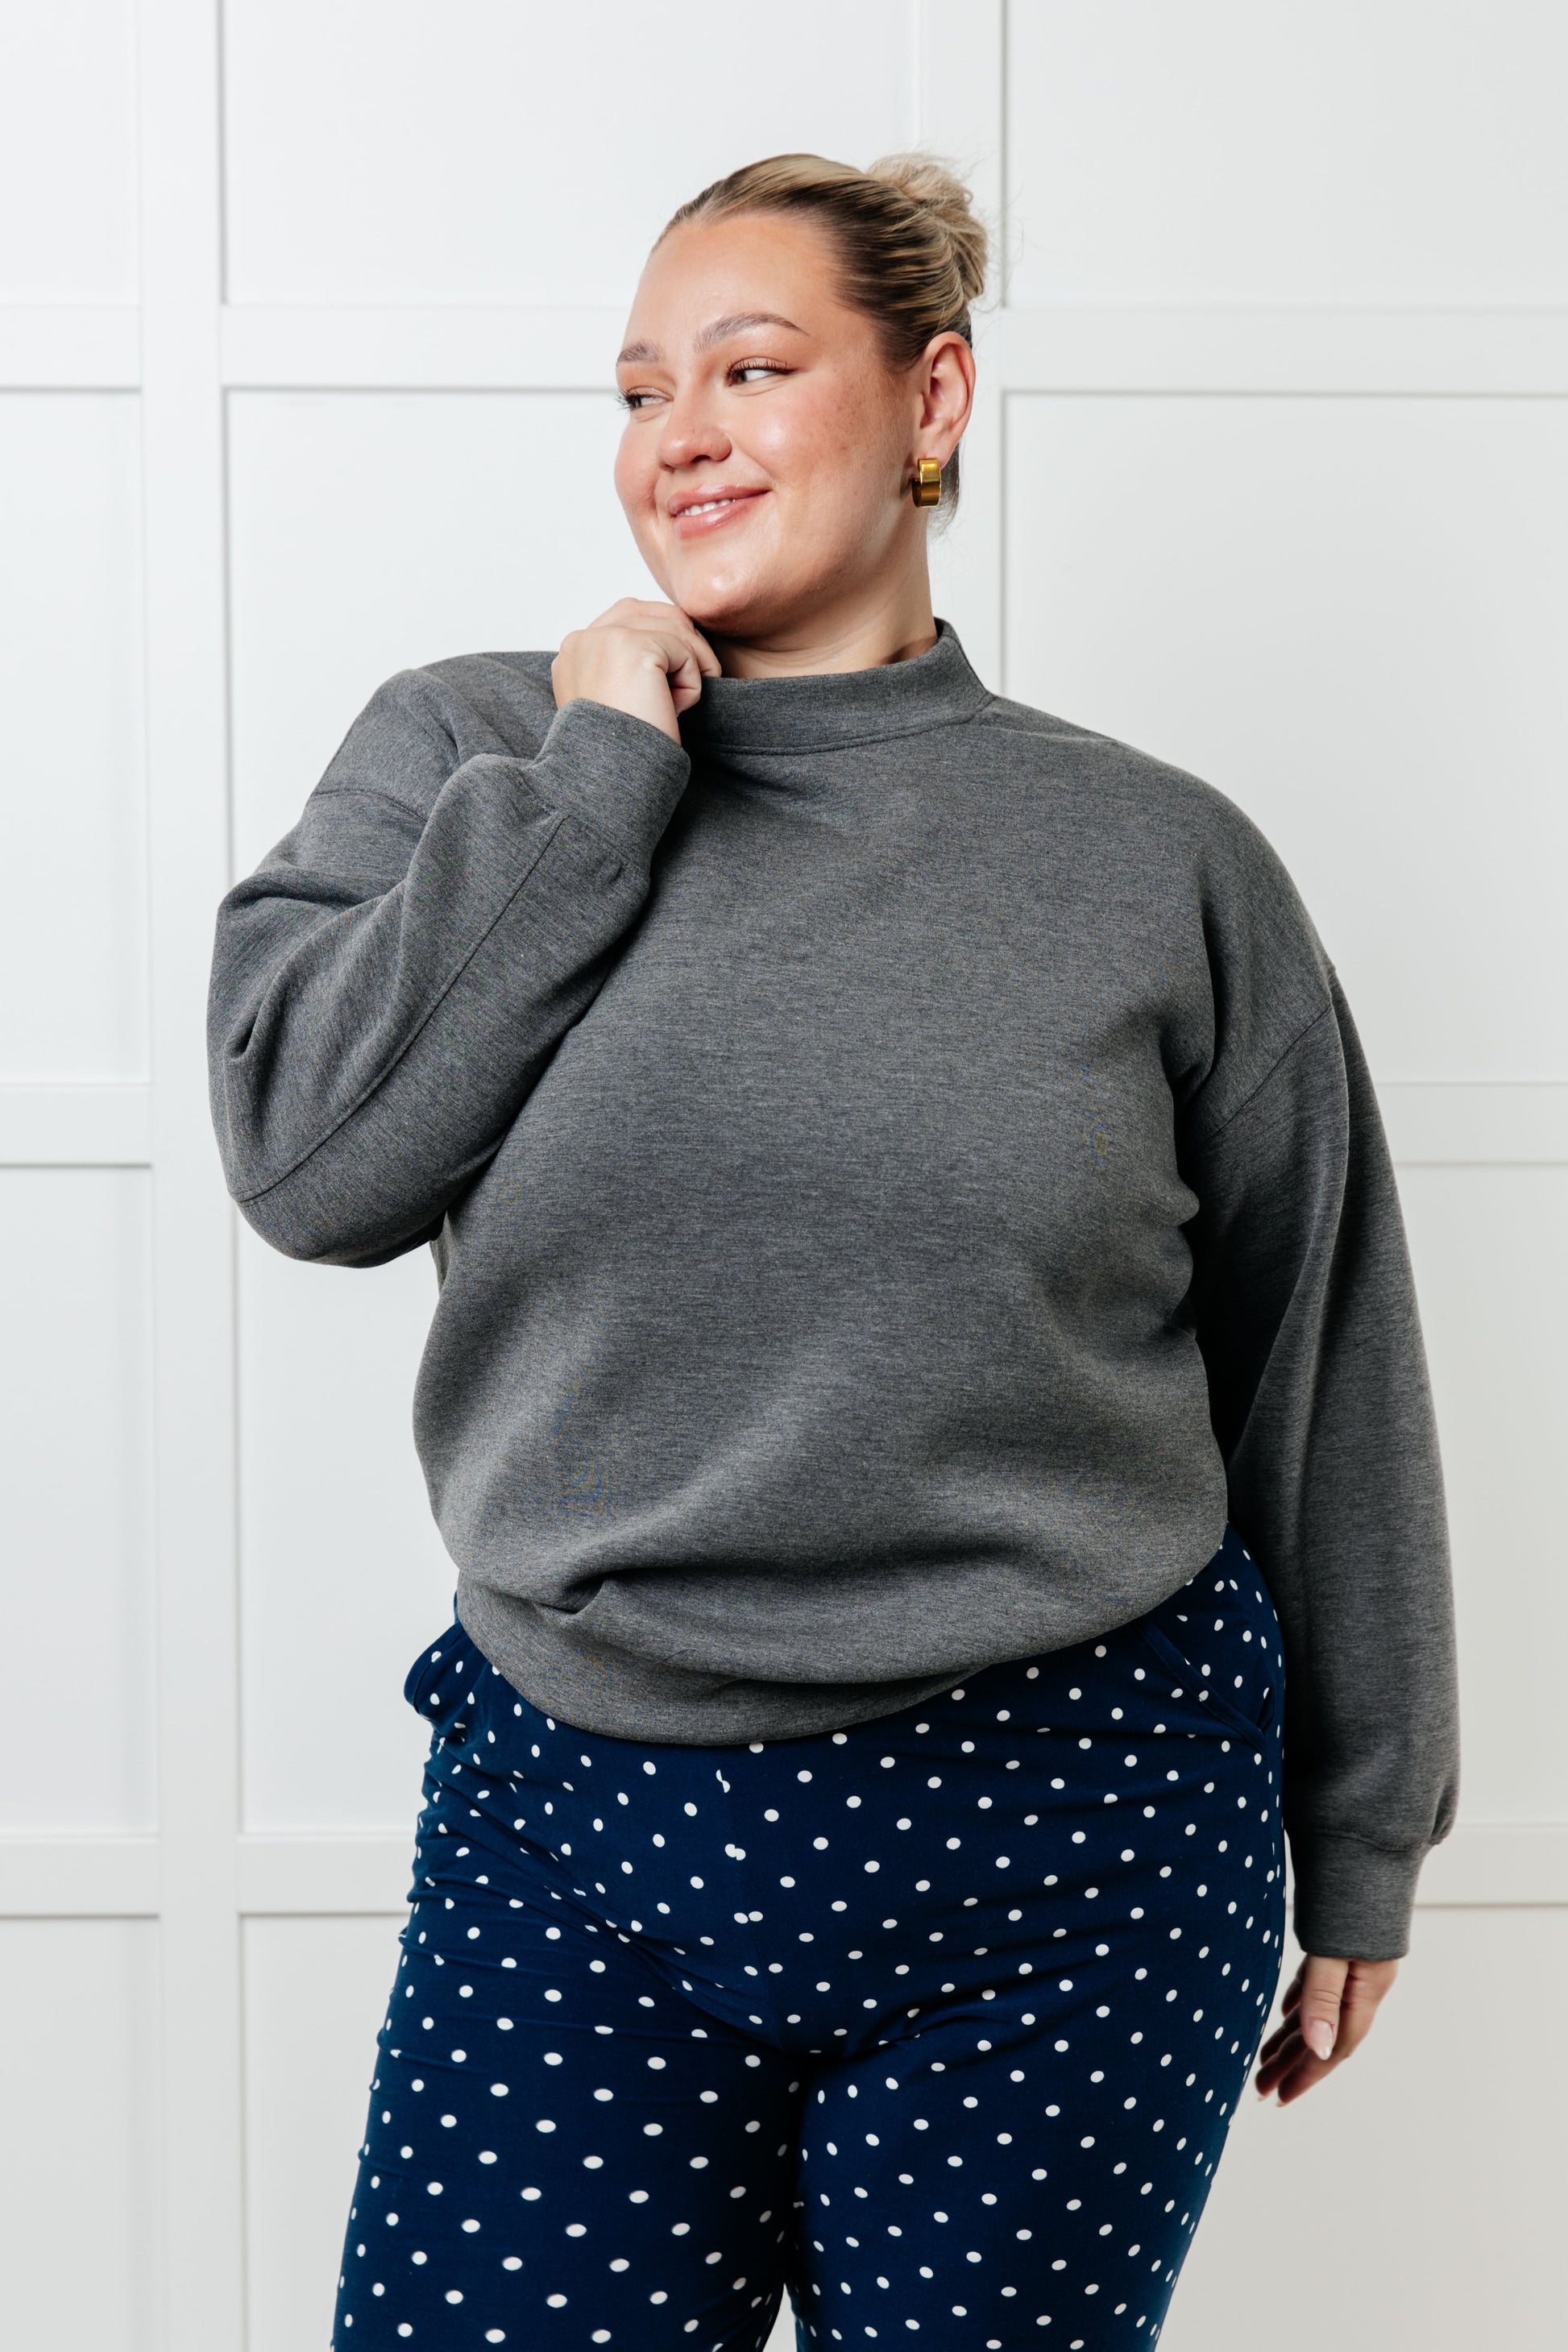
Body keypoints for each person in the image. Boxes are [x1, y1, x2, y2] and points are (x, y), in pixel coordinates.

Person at [206, 151, 1459, 2352]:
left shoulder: (1153, 860)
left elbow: (1317, 1354)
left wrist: (1367, 1824)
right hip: (580, 1824)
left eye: (752, 368)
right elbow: (312, 1163)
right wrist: (600, 770)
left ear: (933, 398)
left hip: (1072, 1834)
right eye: (638, 390)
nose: (677, 433)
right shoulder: (476, 751)